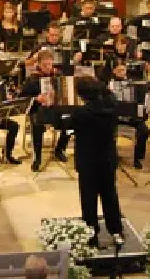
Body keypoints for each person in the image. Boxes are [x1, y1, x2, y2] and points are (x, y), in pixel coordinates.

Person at [56, 77, 123, 247]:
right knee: (110, 195)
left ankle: (91, 234)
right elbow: (111, 95)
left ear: (82, 96)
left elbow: (61, 124)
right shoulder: (112, 107)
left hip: (88, 162)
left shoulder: (81, 114)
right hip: (107, 160)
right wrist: (101, 86)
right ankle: (116, 231)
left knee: (89, 199)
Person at [21, 50, 71, 172]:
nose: (48, 68)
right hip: (38, 110)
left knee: (70, 122)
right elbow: (22, 98)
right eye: (45, 65)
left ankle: (59, 149)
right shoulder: (32, 78)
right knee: (37, 125)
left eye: (50, 64)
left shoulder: (58, 75)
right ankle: (37, 157)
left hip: (56, 109)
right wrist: (36, 98)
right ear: (38, 64)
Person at [105, 52, 149, 169]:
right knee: (106, 129)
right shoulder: (109, 84)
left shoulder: (134, 83)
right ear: (113, 71)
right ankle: (111, 156)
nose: (121, 73)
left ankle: (137, 158)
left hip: (132, 117)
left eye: (123, 70)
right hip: (115, 117)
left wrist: (144, 109)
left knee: (144, 131)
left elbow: (143, 100)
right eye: (118, 71)